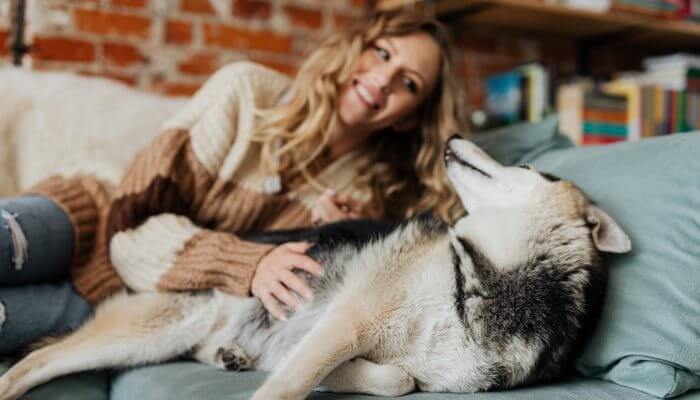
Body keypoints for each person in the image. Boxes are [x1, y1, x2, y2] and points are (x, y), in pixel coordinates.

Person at [0, 9, 467, 355]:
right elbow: (130, 225)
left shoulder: (366, 202)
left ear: (411, 118)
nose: (383, 79)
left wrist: (343, 239)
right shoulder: (245, 93)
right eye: (381, 53)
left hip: (126, 302)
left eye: (408, 83)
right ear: (355, 49)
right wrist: (250, 263)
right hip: (91, 220)